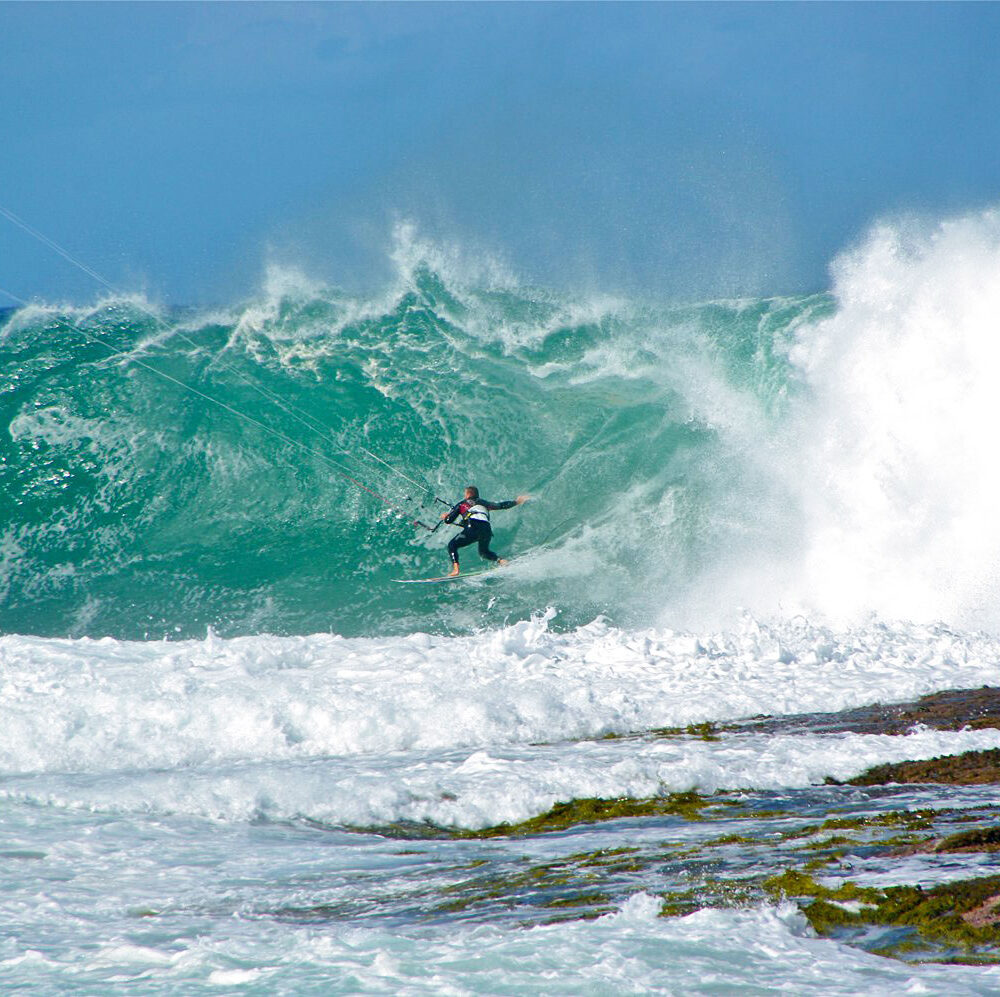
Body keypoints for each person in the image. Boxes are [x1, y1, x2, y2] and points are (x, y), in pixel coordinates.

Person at [441, 486, 529, 576]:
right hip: (486, 529)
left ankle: (456, 570)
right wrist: (516, 502)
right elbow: (501, 505)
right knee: (484, 552)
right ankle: (502, 561)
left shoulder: (462, 504)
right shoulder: (484, 503)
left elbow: (449, 520)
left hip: (473, 526)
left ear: (467, 494)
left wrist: (446, 517)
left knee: (452, 545)